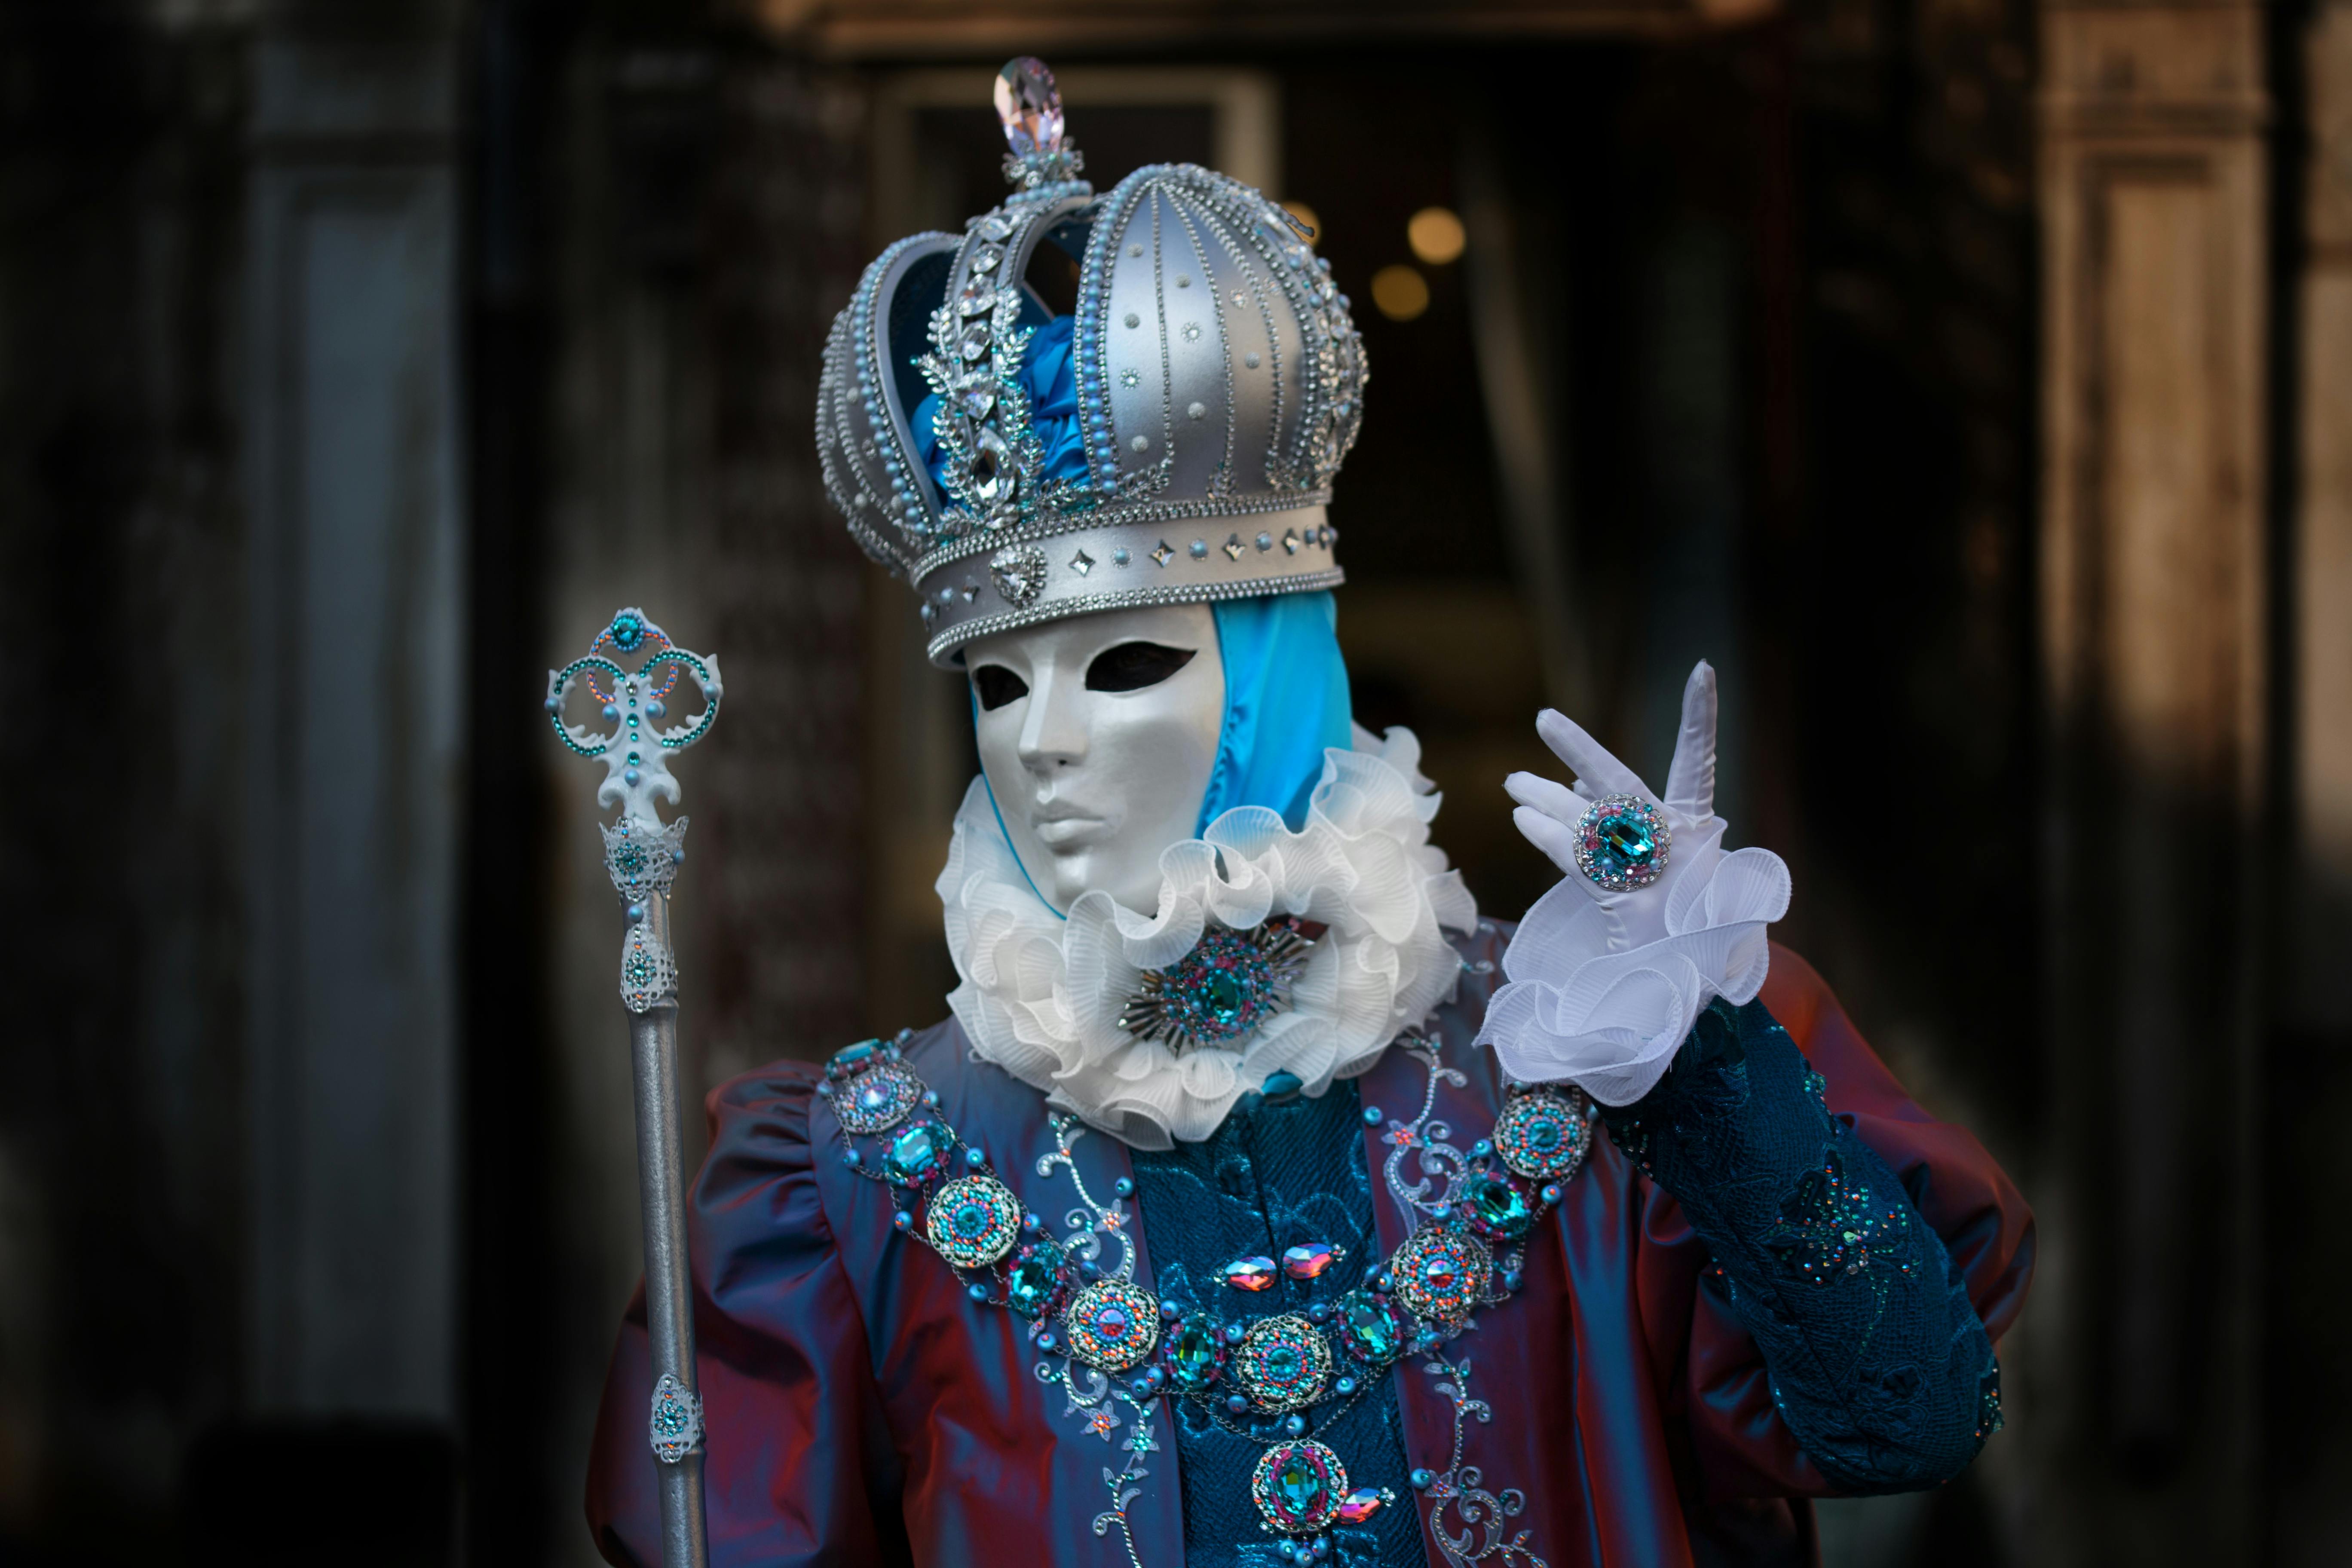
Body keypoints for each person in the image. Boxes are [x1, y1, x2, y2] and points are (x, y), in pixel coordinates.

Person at [586, 58, 2034, 1568]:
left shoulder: (1580, 1072)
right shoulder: (861, 1171)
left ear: (1279, 671)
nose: (1050, 748)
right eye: (999, 691)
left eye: (1129, 665)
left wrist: (1709, 1074)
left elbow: (1905, 1424)